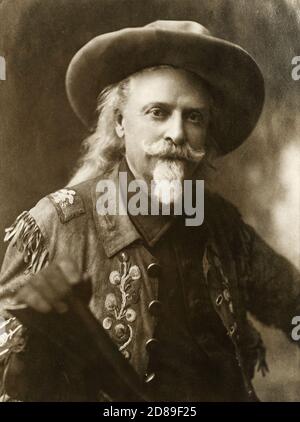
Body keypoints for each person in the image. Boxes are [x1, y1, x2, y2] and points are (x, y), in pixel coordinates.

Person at [0, 20, 299, 402]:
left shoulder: (222, 224)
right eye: (158, 112)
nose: (177, 133)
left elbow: (293, 305)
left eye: (194, 117)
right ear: (121, 122)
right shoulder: (55, 226)